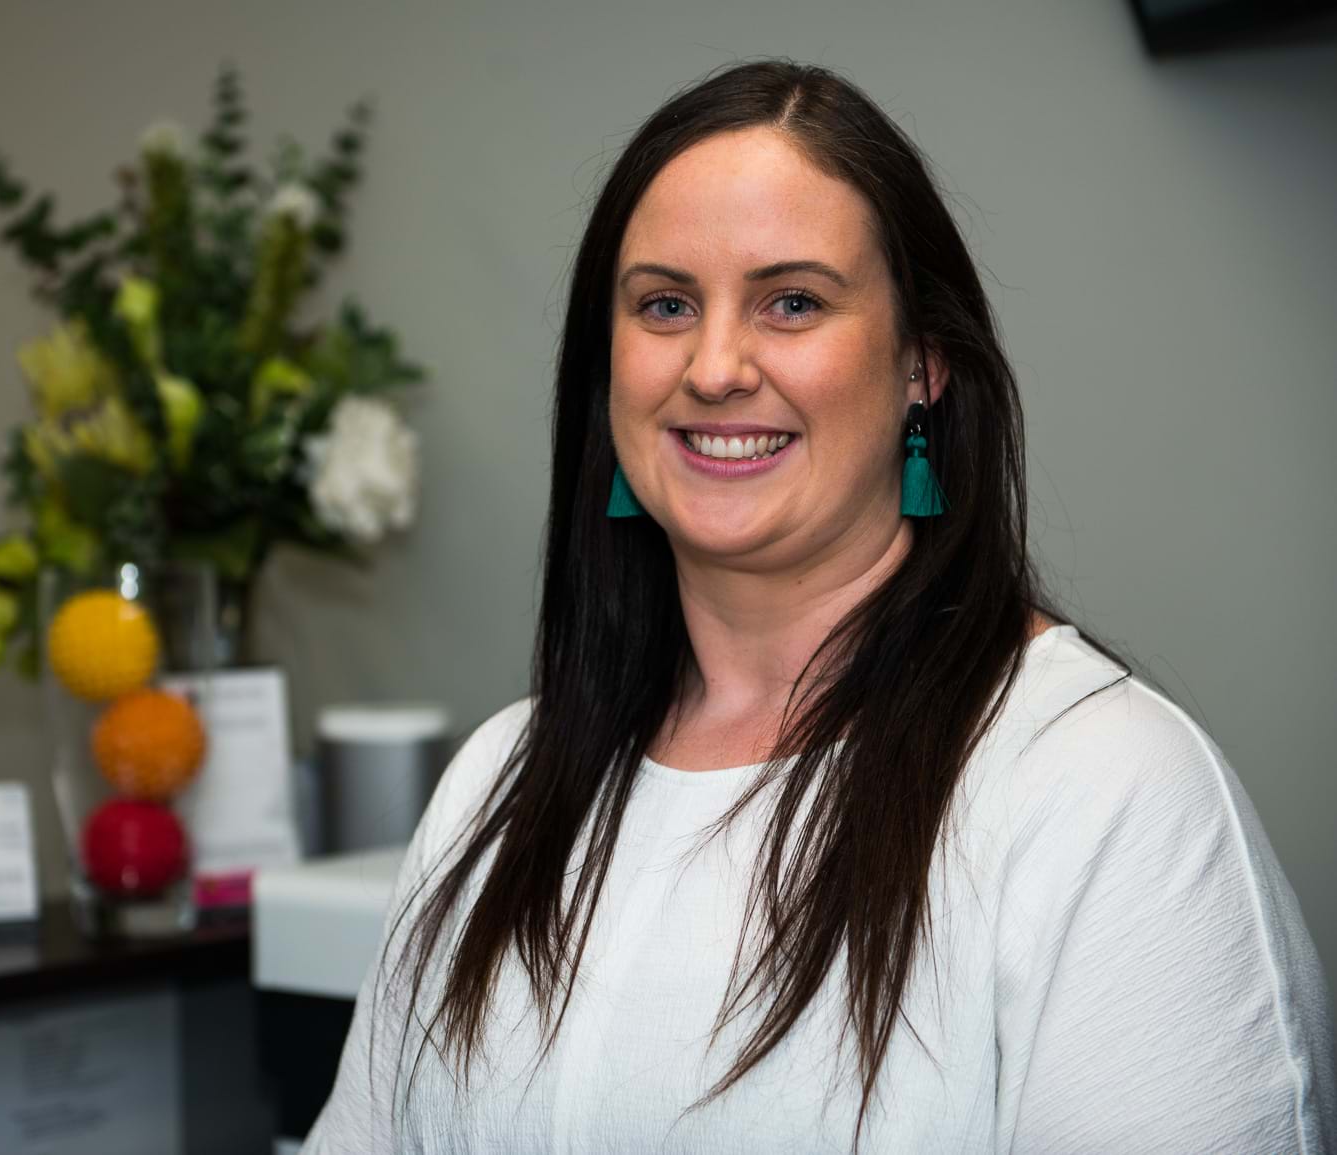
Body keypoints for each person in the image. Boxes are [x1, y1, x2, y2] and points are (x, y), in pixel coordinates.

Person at [300, 58, 1333, 1153]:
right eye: (664, 305)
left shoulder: (1104, 789)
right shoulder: (500, 780)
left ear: (921, 365)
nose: (713, 368)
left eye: (791, 301)